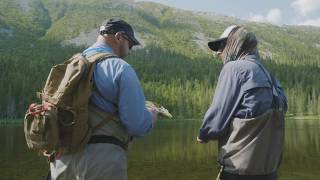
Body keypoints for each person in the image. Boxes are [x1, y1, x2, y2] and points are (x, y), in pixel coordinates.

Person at [49, 17, 158, 180]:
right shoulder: (121, 68)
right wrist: (151, 116)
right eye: (131, 44)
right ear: (119, 37)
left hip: (61, 162)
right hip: (101, 162)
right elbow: (136, 125)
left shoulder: (72, 65)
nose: (131, 49)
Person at [197, 25, 287, 180]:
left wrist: (203, 135)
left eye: (222, 46)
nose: (218, 53)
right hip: (270, 172)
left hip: (239, 172)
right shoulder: (271, 77)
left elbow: (218, 116)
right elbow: (283, 108)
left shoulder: (233, 68)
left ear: (235, 44)